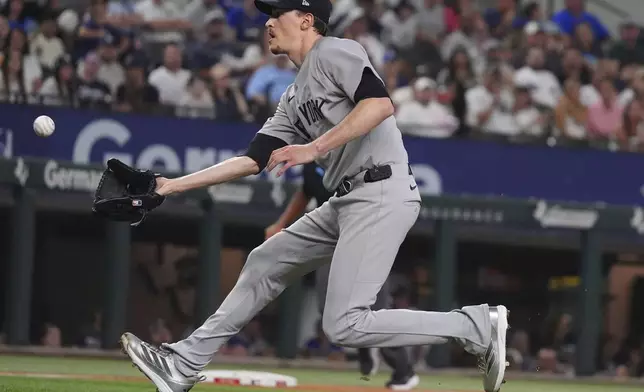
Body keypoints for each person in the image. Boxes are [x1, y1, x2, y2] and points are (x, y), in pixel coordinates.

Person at [119, 1, 509, 392]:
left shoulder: (336, 50)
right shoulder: (292, 97)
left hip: (381, 189)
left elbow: (379, 104)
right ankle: (184, 363)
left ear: (306, 20)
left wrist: (314, 148)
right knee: (265, 261)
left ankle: (475, 326)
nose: (269, 22)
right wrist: (170, 186)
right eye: (267, 15)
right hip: (345, 200)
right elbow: (252, 160)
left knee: (345, 324)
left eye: (278, 13)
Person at [265, 162, 419, 389]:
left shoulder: (355, 154)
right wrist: (281, 222)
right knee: (328, 307)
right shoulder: (311, 162)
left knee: (376, 311)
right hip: (330, 241)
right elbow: (306, 191)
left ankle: (403, 372)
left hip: (366, 238)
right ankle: (364, 347)